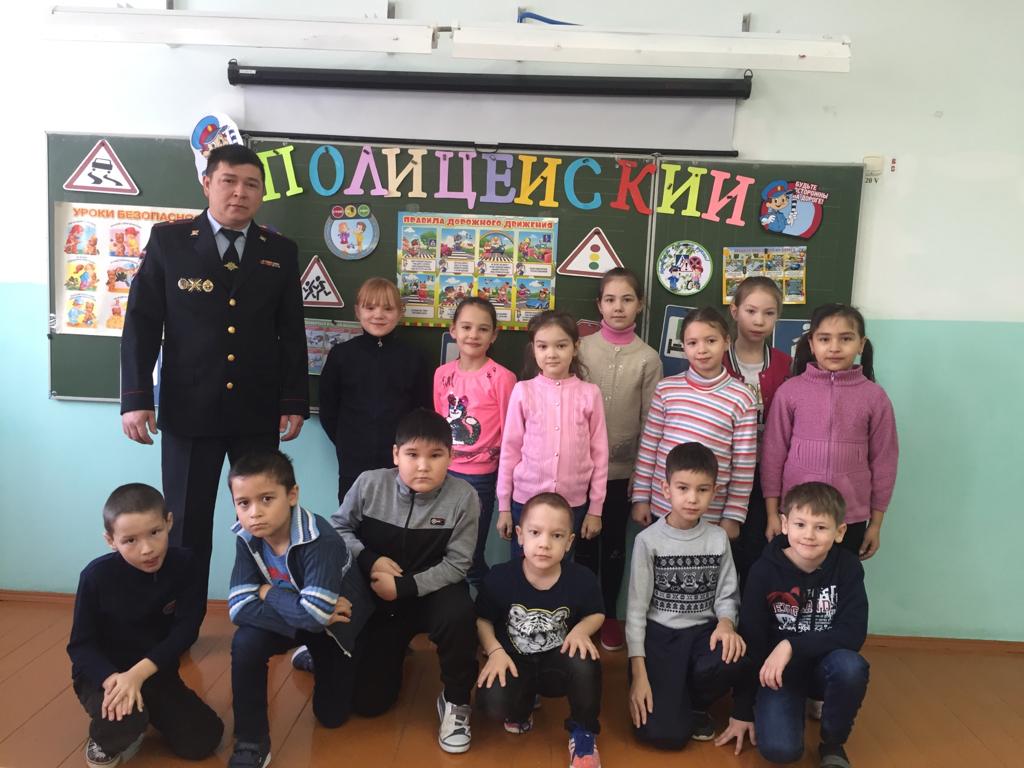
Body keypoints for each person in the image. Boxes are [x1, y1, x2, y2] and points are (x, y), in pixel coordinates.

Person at [120, 144, 308, 603]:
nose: (240, 193)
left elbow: (290, 333)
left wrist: (293, 401)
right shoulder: (168, 242)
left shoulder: (280, 251)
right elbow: (141, 324)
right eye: (229, 181)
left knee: (266, 519)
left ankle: (273, 613)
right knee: (186, 522)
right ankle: (179, 620)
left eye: (251, 185)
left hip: (256, 410)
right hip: (189, 410)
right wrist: (136, 398)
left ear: (261, 194)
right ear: (207, 184)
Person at [331, 409, 480, 753]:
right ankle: (335, 650)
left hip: (432, 594)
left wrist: (404, 587)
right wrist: (369, 559)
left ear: (451, 456)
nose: (423, 466)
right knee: (368, 704)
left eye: (435, 455)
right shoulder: (369, 483)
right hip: (380, 600)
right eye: (412, 454)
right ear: (396, 454)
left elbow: (458, 564)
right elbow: (337, 529)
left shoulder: (464, 496)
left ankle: (456, 701)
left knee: (460, 613)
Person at [226, 450, 369, 768]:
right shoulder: (247, 537)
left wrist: (266, 591)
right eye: (243, 503)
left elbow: (316, 618)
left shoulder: (321, 539)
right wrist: (304, 609)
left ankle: (315, 655)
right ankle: (251, 743)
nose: (254, 513)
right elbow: (238, 607)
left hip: (336, 627)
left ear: (292, 495)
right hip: (305, 617)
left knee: (331, 717)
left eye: (266, 499)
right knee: (245, 642)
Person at [67, 484, 223, 768]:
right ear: (110, 540)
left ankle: (144, 708)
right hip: (104, 675)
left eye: (155, 532)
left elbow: (186, 630)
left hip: (154, 670)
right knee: (124, 720)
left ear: (169, 522)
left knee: (204, 737)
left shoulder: (185, 563)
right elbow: (81, 646)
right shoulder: (95, 576)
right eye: (130, 540)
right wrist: (113, 680)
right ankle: (107, 736)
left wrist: (138, 675)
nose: (148, 549)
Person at [720, 482, 870, 768]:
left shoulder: (848, 568)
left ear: (840, 532)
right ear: (785, 525)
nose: (809, 535)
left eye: (821, 527)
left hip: (826, 666)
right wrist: (742, 710)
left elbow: (853, 633)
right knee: (780, 751)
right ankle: (786, 707)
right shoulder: (763, 570)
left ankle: (833, 743)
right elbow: (752, 640)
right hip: (779, 675)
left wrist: (791, 645)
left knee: (851, 667)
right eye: (801, 524)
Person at [626, 443, 753, 750]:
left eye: (702, 490)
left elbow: (727, 594)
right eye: (683, 488)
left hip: (703, 635)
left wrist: (726, 623)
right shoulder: (648, 541)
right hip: (661, 637)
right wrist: (639, 674)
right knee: (663, 735)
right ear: (666, 489)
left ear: (714, 492)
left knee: (734, 656)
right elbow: (636, 611)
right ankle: (669, 695)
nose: (692, 498)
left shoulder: (718, 538)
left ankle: (696, 703)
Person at [476, 493, 605, 768]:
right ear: (520, 535)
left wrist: (581, 630)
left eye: (556, 536)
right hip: (513, 661)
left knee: (586, 660)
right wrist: (494, 651)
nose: (544, 544)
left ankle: (583, 732)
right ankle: (522, 705)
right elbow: (482, 620)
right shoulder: (500, 577)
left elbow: (597, 613)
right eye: (535, 532)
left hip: (556, 664)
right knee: (493, 705)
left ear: (569, 542)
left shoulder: (582, 579)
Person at [761, 303, 899, 559]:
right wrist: (772, 513)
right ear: (811, 344)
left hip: (849, 519)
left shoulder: (875, 397)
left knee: (841, 581)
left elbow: (884, 462)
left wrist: (876, 524)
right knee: (789, 580)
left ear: (861, 344)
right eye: (824, 339)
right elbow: (773, 454)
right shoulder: (790, 392)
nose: (834, 347)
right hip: (796, 517)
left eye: (846, 338)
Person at [577, 267, 663, 652]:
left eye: (627, 299)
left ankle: (609, 614)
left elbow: (651, 421)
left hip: (621, 471)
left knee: (613, 544)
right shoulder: (580, 348)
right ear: (599, 304)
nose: (618, 307)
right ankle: (582, 612)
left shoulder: (648, 358)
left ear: (639, 305)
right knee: (580, 543)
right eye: (610, 299)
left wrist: (640, 475)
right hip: (578, 469)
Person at [631, 307, 758, 538]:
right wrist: (641, 498)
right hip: (663, 507)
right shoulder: (667, 389)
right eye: (692, 343)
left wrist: (733, 516)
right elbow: (649, 447)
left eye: (711, 341)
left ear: (726, 341)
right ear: (684, 346)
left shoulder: (742, 398)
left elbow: (743, 464)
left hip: (711, 514)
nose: (702, 350)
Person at [497, 310, 608, 559]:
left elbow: (600, 455)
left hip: (572, 504)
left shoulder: (590, 393)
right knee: (522, 565)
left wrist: (595, 509)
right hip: (526, 501)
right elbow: (510, 451)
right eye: (543, 346)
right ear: (533, 349)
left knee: (561, 567)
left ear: (575, 347)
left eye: (561, 345)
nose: (551, 353)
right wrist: (504, 506)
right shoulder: (523, 391)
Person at [319, 277, 432, 505]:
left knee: (398, 516)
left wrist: (408, 449)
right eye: (370, 308)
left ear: (400, 313)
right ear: (357, 312)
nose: (378, 315)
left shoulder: (414, 357)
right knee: (353, 517)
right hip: (353, 460)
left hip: (400, 462)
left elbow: (423, 410)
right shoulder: (341, 355)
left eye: (388, 309)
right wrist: (346, 442)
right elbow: (328, 409)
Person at [433, 296, 516, 586]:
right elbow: (439, 426)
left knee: (469, 556)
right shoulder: (442, 375)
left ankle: (492, 604)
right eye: (466, 327)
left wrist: (505, 487)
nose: (473, 335)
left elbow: (511, 434)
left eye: (483, 329)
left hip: (481, 478)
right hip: (444, 476)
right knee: (443, 551)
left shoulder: (502, 378)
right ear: (453, 330)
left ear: (494, 335)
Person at [723, 276, 792, 586]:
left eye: (769, 313)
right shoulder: (715, 359)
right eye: (751, 311)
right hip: (724, 474)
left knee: (758, 554)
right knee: (722, 553)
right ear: (734, 310)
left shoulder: (786, 365)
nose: (759, 321)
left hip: (769, 477)